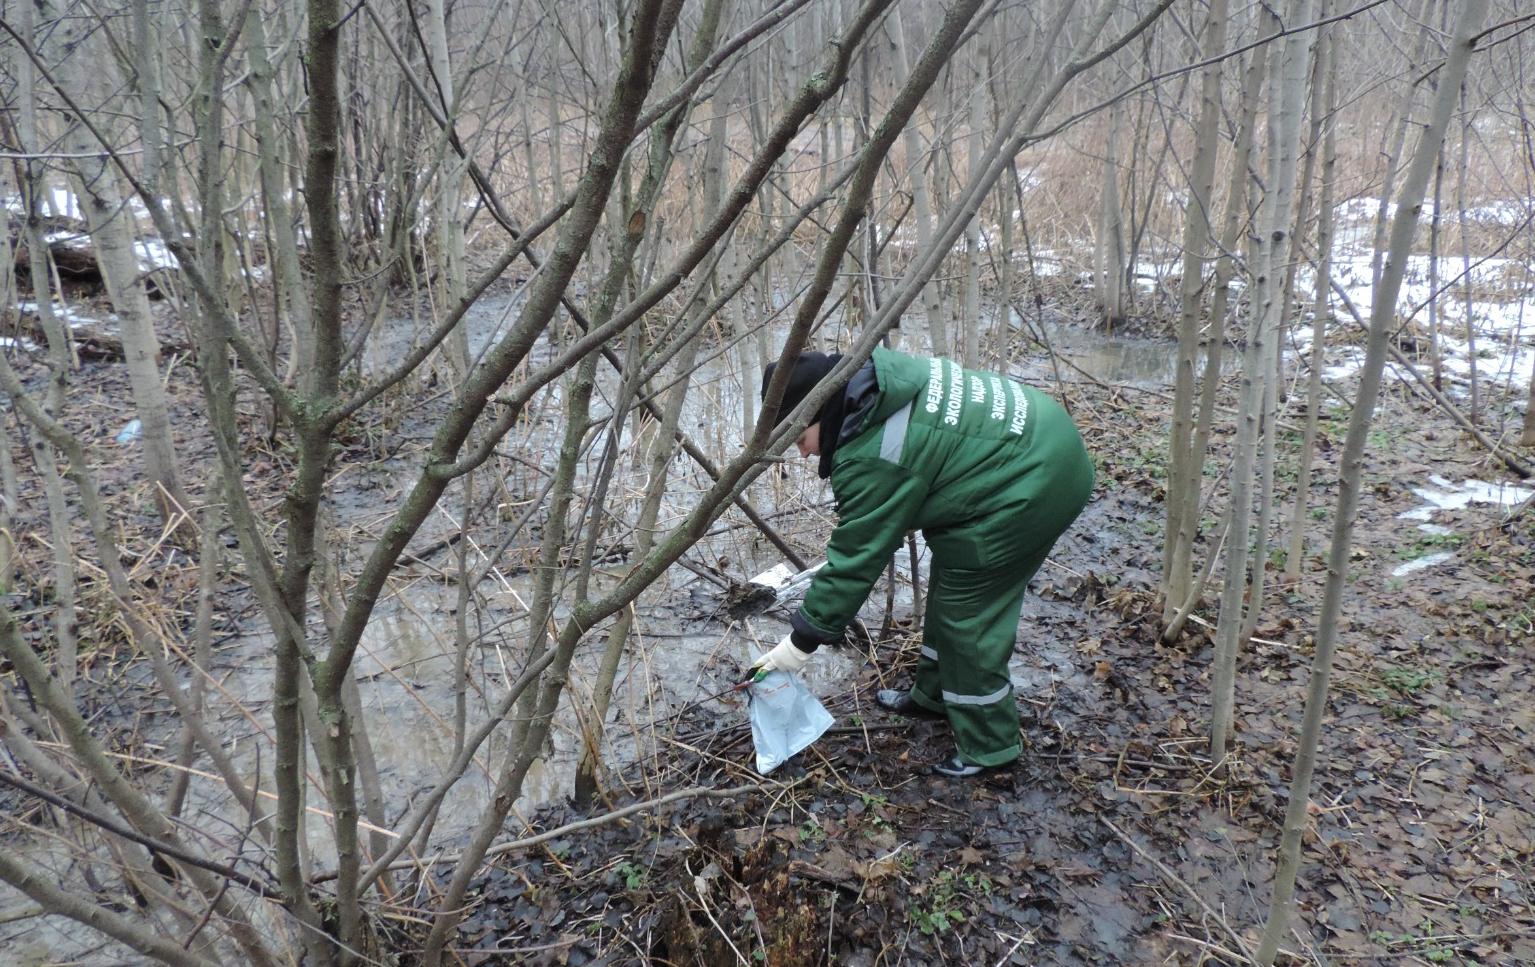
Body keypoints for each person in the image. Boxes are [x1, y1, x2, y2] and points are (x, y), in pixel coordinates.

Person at [750, 346, 1094, 777]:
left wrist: (798, 644)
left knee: (969, 620)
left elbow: (857, 557)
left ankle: (992, 748)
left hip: (1035, 480)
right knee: (953, 587)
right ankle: (933, 695)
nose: (802, 454)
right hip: (1036, 440)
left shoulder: (871, 452)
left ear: (821, 408)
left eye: (801, 439)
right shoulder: (879, 381)